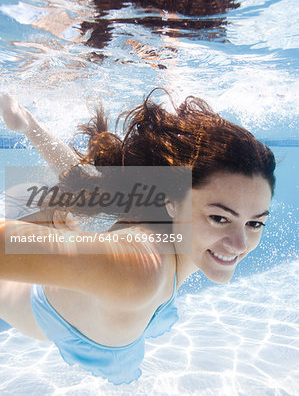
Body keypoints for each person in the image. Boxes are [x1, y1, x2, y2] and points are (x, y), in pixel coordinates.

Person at [0, 91, 275, 384]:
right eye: (219, 218)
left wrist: (29, 125)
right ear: (172, 201)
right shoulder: (138, 266)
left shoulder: (161, 214)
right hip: (25, 299)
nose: (240, 244)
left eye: (255, 224)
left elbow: (94, 186)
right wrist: (34, 229)